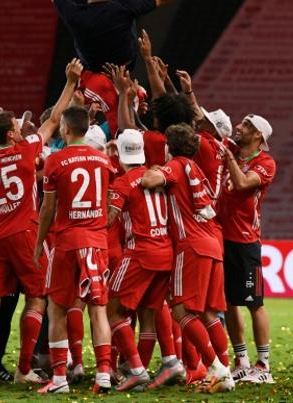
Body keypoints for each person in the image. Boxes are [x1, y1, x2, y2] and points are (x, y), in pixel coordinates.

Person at [16, 0, 221, 132]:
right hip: (123, 65)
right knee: (129, 8)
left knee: (128, 8)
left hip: (94, 70)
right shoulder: (123, 8)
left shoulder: (74, 14)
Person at [0, 59, 82, 385]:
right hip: (25, 231)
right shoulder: (27, 149)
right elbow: (54, 119)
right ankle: (24, 369)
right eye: (15, 122)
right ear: (10, 133)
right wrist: (70, 82)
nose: (21, 125)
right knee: (38, 298)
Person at [142, 124, 234, 393]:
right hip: (212, 244)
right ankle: (225, 373)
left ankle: (214, 367)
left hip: (191, 245)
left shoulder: (176, 165)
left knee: (180, 309)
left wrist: (154, 169)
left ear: (169, 147)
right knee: (207, 311)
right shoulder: (197, 169)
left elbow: (149, 181)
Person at [34, 106, 115, 394]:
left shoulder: (55, 161)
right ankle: (103, 374)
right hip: (95, 242)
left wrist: (38, 243)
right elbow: (108, 199)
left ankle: (59, 380)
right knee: (98, 310)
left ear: (65, 129)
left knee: (57, 309)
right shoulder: (104, 160)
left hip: (66, 242)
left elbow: (48, 207)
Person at [105, 129, 175, 391]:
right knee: (148, 314)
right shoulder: (157, 175)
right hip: (165, 253)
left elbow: (109, 219)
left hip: (140, 253)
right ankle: (141, 368)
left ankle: (135, 369)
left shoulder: (123, 183)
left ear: (119, 153)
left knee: (112, 311)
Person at [218, 114, 277, 385]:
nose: (239, 128)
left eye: (247, 127)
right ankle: (241, 362)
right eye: (241, 124)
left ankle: (263, 366)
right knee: (229, 302)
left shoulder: (265, 163)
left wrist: (229, 159)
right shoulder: (234, 152)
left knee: (255, 303)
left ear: (258, 137)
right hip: (222, 239)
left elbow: (242, 184)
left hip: (246, 243)